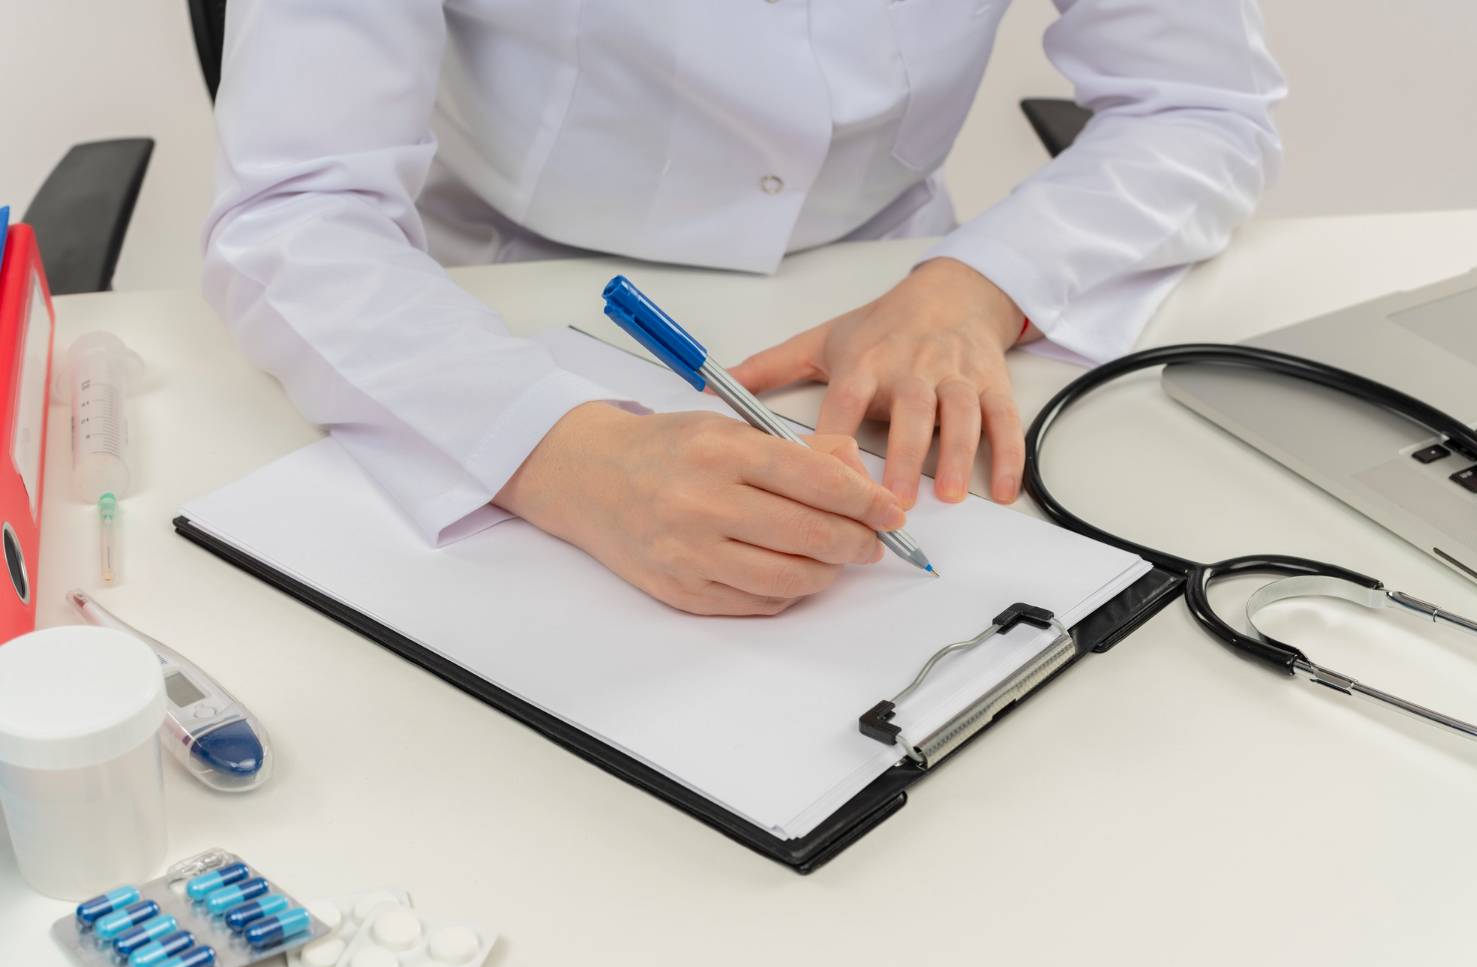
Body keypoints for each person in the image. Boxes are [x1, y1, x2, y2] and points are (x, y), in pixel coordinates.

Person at [203, 1, 1283, 616]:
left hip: (885, 288)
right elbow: (295, 212)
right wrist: (556, 453)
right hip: (496, 299)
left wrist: (980, 285)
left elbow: (1203, 107)